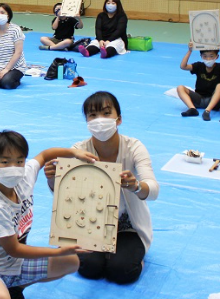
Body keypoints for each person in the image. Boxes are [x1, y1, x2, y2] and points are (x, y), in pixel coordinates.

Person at [44, 91, 159, 285]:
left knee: (122, 271)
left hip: (127, 228)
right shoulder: (78, 150)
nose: (100, 120)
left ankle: (129, 256)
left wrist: (136, 186)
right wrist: (51, 178)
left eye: (106, 113)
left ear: (119, 119)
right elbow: (62, 193)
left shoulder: (134, 147)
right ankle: (102, 253)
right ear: (87, 121)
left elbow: (153, 190)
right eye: (93, 115)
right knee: (90, 268)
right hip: (89, 224)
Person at [0, 130, 95, 299]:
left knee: (71, 262)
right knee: (0, 297)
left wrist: (74, 153)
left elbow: (45, 154)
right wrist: (57, 252)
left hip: (15, 265)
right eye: (5, 162)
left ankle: (15, 286)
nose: (14, 167)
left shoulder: (24, 176)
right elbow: (15, 249)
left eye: (19, 161)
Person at [176, 41, 220, 121]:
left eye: (211, 56)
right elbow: (183, 66)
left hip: (214, 101)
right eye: (205, 56)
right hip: (199, 99)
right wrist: (190, 50)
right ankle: (192, 109)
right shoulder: (198, 66)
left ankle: (207, 111)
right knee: (180, 88)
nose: (208, 59)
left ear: (216, 57)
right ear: (201, 56)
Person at [0, 4, 27, 90]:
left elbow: (18, 52)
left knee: (7, 83)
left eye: (2, 12)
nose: (0, 15)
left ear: (8, 15)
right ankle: (0, 78)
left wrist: (6, 69)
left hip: (15, 66)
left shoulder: (16, 30)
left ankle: (11, 79)